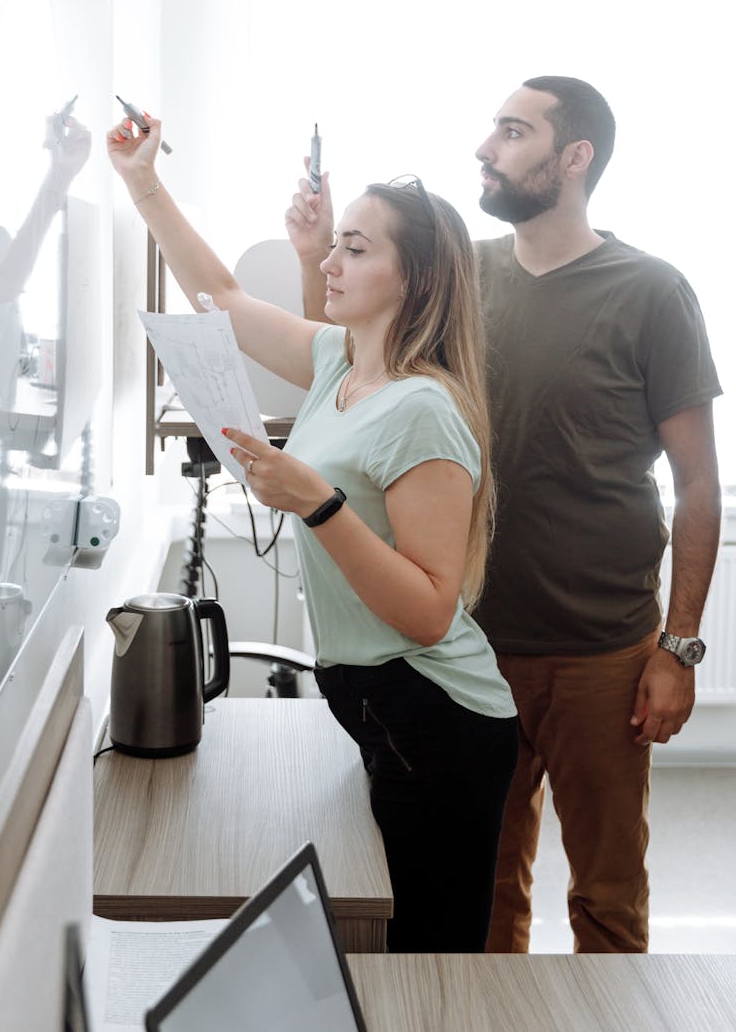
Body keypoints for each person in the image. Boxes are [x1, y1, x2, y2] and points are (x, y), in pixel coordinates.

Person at [285, 76, 722, 955]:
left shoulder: (651, 291)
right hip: (465, 653)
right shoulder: (459, 275)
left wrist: (676, 649)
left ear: (574, 157)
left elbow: (698, 484)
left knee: (606, 898)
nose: (485, 148)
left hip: (601, 650)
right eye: (492, 128)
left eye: (513, 132)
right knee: (479, 900)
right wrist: (313, 256)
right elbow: (347, 365)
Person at [107, 112, 518, 954]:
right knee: (381, 942)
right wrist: (143, 183)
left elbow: (429, 612)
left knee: (425, 962)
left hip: (434, 711)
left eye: (355, 249)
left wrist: (318, 503)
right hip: (371, 695)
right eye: (335, 245)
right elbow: (221, 301)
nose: (328, 262)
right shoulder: (340, 362)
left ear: (415, 279)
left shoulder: (422, 410)